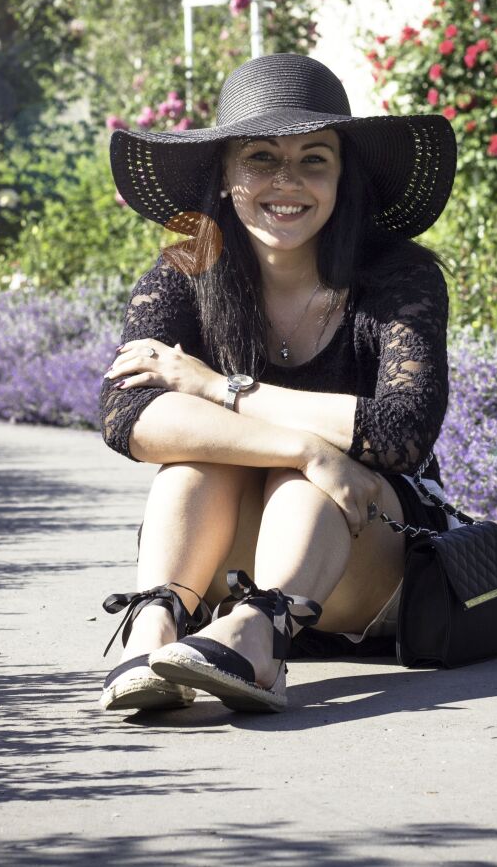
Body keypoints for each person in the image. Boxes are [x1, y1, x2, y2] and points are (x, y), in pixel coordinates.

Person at [95, 52, 458, 714]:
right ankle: (153, 634)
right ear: (226, 173)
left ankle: (257, 638)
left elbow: (402, 432)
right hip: (249, 539)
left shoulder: (400, 278)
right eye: (261, 156)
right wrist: (303, 446)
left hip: (369, 555)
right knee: (198, 465)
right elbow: (126, 414)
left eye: (314, 158)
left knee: (309, 479)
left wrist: (218, 388)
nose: (286, 181)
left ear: (342, 175)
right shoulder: (187, 267)